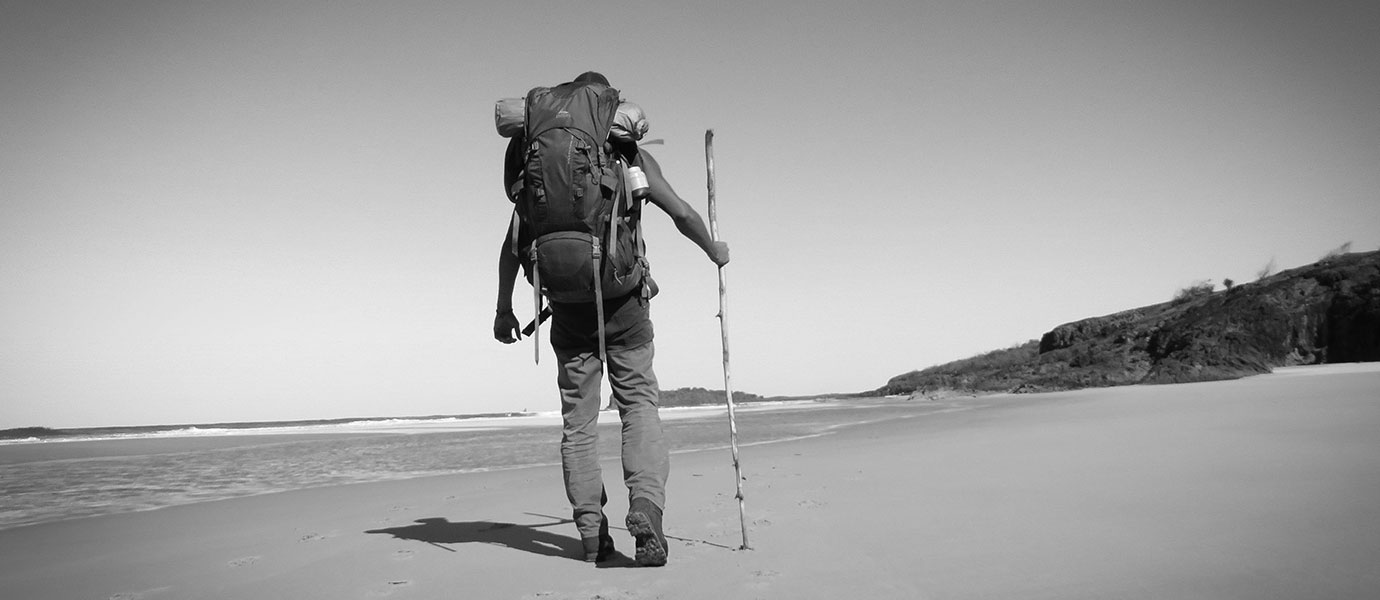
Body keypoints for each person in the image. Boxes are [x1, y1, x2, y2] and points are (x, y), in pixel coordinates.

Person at [493, 72, 730, 568]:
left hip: (566, 309)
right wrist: (715, 251)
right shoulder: (627, 157)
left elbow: (514, 243)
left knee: (578, 424)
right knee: (638, 407)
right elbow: (681, 213)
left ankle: (591, 535)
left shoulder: (534, 162)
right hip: (624, 304)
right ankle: (645, 510)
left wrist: (504, 309)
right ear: (608, 113)